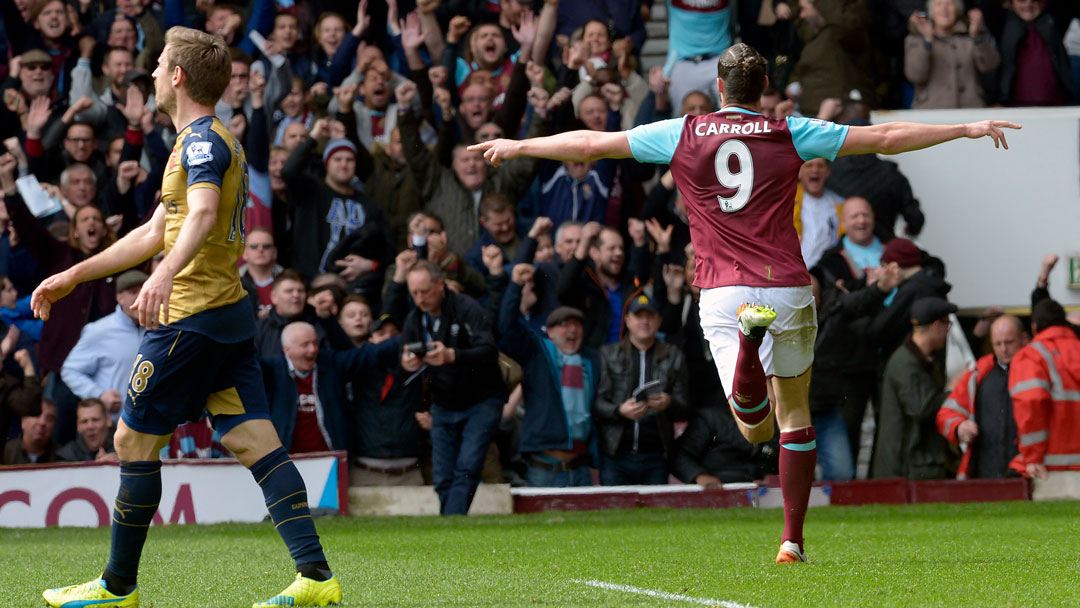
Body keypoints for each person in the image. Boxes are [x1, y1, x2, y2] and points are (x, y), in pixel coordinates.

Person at [470, 42, 1018, 563]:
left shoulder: (682, 131)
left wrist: (520, 146)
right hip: (785, 282)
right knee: (795, 414)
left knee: (754, 428)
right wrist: (966, 127)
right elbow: (885, 136)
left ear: (717, 87)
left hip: (723, 288)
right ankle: (792, 542)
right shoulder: (791, 130)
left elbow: (592, 144)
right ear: (765, 88)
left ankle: (748, 353)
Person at [31, 27, 341, 607]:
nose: (150, 73)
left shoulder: (202, 143)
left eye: (158, 64)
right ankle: (318, 579)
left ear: (177, 76)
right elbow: (155, 231)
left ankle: (117, 588)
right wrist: (76, 274)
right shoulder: (203, 140)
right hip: (227, 316)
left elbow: (197, 217)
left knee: (131, 440)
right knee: (256, 444)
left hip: (190, 319)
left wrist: (165, 273)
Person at [399, 261, 505, 515]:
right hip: (444, 403)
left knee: (468, 465)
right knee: (442, 474)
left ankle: (451, 521)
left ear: (440, 284)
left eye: (425, 291)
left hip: (482, 398)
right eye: (414, 293)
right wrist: (408, 363)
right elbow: (404, 361)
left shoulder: (466, 307)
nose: (420, 298)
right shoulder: (414, 319)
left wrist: (453, 355)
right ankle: (451, 523)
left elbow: (490, 350)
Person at [500, 265, 599, 487]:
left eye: (576, 325)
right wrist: (515, 286)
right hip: (544, 470)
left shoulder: (592, 361)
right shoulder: (538, 353)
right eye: (564, 325)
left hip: (581, 468)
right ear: (550, 332)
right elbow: (507, 326)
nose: (572, 330)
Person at [595, 293, 689, 485]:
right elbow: (597, 402)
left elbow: (686, 406)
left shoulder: (674, 357)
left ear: (658, 321)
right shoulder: (608, 354)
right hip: (615, 454)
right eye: (639, 316)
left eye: (650, 316)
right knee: (613, 513)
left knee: (658, 514)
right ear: (628, 321)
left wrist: (668, 403)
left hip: (656, 455)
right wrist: (619, 411)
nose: (644, 321)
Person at [871, 297, 955, 481]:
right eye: (948, 325)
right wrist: (955, 391)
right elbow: (922, 408)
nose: (948, 331)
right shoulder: (905, 363)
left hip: (913, 465)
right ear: (937, 326)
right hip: (904, 469)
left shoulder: (920, 360)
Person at [936, 315, 1027, 479]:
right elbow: (946, 414)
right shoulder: (978, 375)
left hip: (1026, 470)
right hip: (984, 471)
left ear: (1024, 338)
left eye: (1009, 342)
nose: (1003, 349)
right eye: (998, 344)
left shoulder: (1036, 372)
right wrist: (959, 427)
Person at [60, 270, 146, 423]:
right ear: (119, 297)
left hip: (153, 424)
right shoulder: (99, 330)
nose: (140, 297)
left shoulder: (160, 327)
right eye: (133, 292)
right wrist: (99, 395)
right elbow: (70, 370)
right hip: (115, 425)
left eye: (144, 291)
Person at [1007, 299, 1080, 480]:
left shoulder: (1030, 356)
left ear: (1034, 327)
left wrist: (1033, 457)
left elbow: (1030, 403)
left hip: (1049, 466)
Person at [2, 398, 60, 465]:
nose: (42, 422)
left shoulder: (63, 457)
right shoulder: (4, 453)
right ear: (23, 420)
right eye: (36, 415)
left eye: (49, 418)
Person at [57, 398, 117, 462]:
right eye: (84, 421)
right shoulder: (67, 456)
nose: (90, 426)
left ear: (108, 420)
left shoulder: (126, 449)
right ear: (78, 425)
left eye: (95, 420)